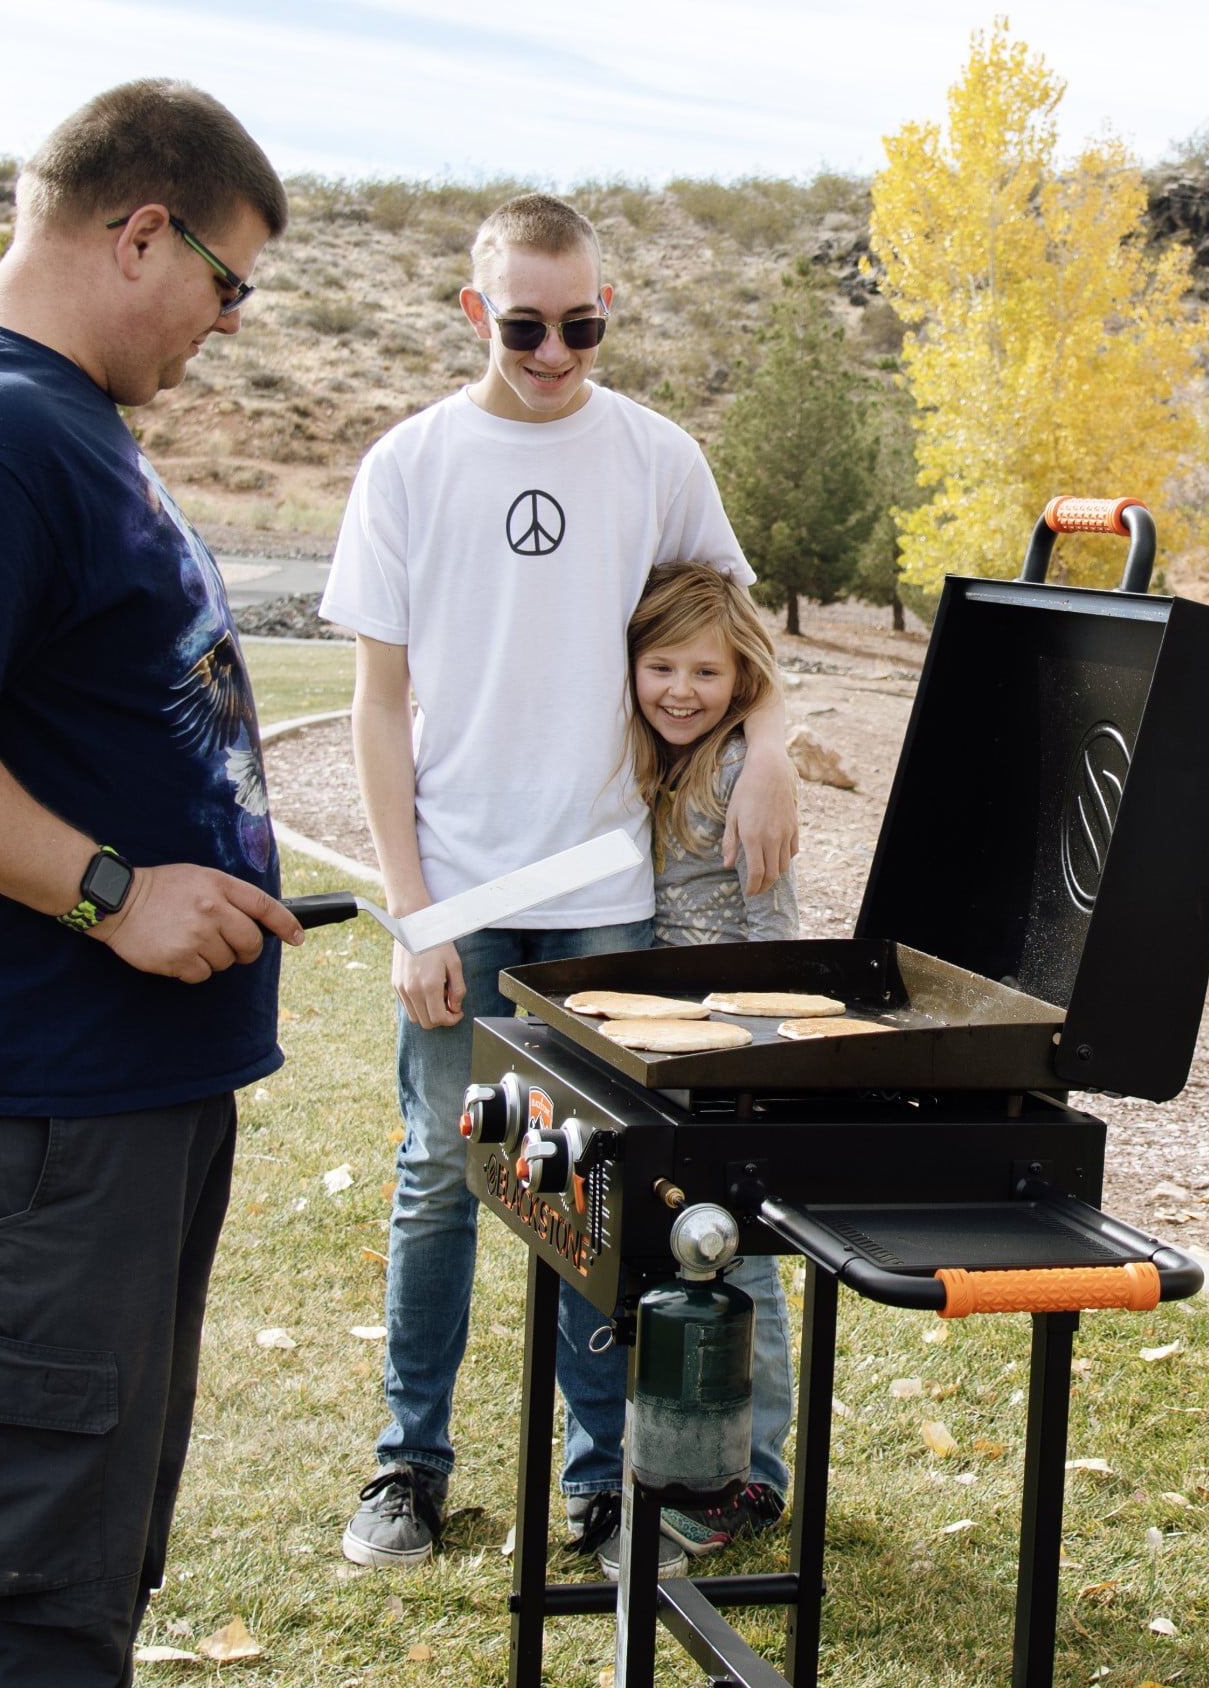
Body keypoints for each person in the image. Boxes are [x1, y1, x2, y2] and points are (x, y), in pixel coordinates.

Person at [0, 79, 306, 1688]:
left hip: (110, 1102)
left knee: (85, 1560)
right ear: (141, 230)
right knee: (11, 1592)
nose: (227, 327)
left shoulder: (60, 414)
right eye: (226, 285)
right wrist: (116, 890)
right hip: (29, 1109)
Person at [319, 192, 799, 1578]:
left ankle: (602, 1481)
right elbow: (376, 708)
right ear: (476, 313)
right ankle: (408, 1469)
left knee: (590, 1188)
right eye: (525, 325)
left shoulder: (655, 457)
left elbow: (739, 643)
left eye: (580, 324)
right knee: (439, 1179)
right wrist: (413, 911)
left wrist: (769, 752)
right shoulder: (409, 466)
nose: (553, 351)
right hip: (461, 894)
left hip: (604, 888)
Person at [624, 559, 800, 1552]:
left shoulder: (739, 770)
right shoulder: (654, 757)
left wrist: (746, 1051)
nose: (681, 690)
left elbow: (765, 935)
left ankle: (754, 1473)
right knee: (684, 1250)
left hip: (729, 1054)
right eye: (661, 667)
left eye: (704, 670)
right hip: (663, 1049)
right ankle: (686, 1452)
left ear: (739, 680)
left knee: (743, 1259)